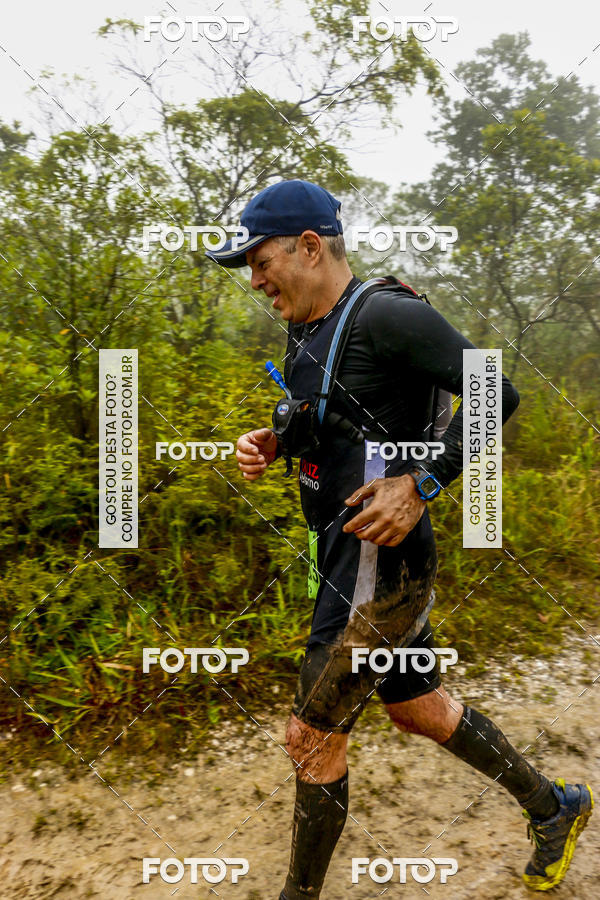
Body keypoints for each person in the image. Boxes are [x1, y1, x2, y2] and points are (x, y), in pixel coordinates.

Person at [206, 179, 593, 896]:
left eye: (260, 263)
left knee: (310, 738)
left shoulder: (387, 314)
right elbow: (340, 420)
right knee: (420, 709)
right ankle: (555, 808)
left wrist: (422, 483)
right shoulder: (307, 327)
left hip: (380, 572)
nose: (255, 281)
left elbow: (496, 392)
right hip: (343, 557)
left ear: (310, 247)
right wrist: (277, 440)